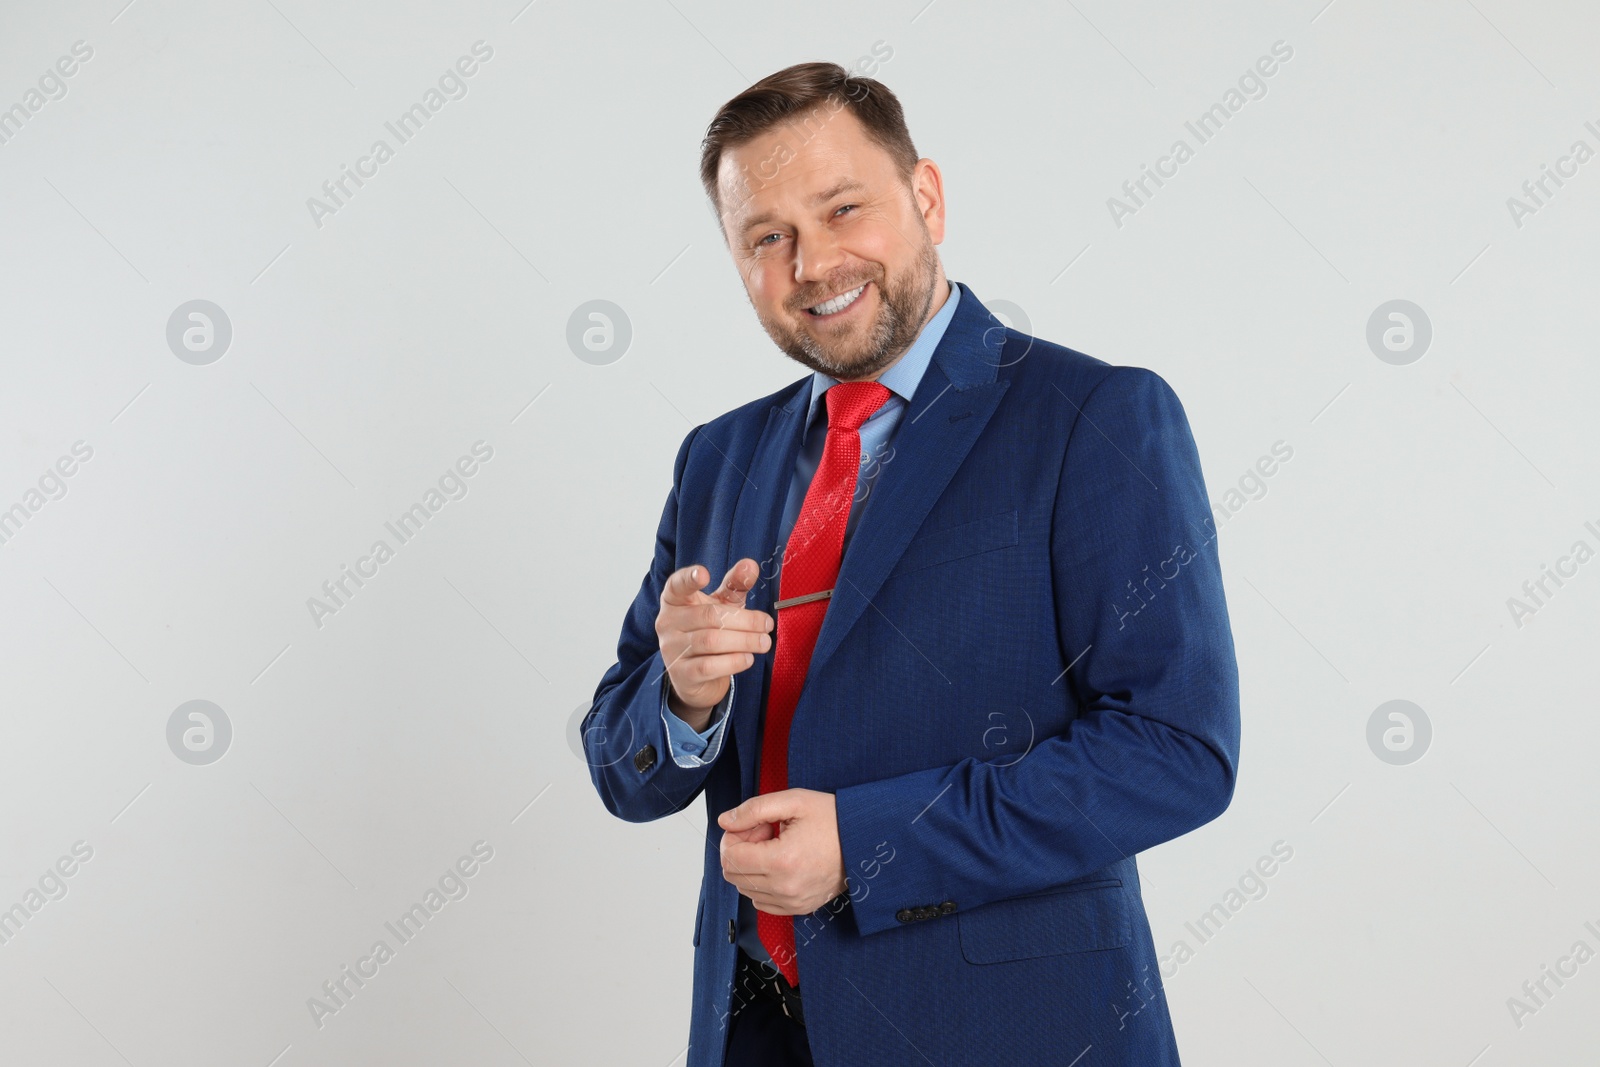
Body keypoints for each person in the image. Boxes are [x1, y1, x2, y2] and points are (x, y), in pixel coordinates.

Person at [582, 60, 1241, 1067]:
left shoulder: (1093, 419)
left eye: (843, 208)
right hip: (758, 1033)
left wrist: (866, 841)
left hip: (1017, 1033)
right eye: (767, 236)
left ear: (924, 196)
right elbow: (621, 771)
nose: (810, 262)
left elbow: (1175, 751)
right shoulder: (718, 457)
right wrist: (683, 697)